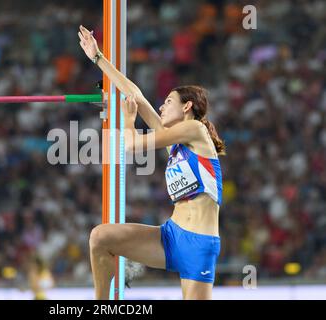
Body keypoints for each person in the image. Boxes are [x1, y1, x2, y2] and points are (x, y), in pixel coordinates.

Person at [78, 25, 226, 300]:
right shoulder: (176, 144)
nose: (161, 107)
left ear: (187, 107)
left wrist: (128, 122)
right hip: (170, 237)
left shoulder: (196, 131)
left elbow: (133, 144)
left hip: (199, 245)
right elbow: (137, 96)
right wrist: (98, 58)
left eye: (168, 102)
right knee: (100, 237)